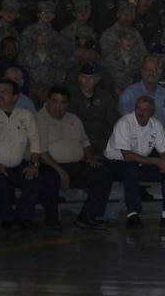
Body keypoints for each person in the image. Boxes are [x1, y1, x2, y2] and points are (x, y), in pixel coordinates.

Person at [34, 84, 111, 229]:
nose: (58, 106)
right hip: (49, 164)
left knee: (102, 174)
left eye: (63, 102)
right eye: (55, 101)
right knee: (51, 178)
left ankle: (87, 215)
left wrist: (90, 159)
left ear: (67, 104)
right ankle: (52, 219)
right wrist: (60, 171)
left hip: (75, 164)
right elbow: (41, 152)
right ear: (48, 101)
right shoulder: (39, 119)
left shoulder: (74, 119)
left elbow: (86, 143)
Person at [102, 95, 165, 228]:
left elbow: (164, 152)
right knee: (131, 169)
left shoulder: (156, 125)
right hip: (115, 163)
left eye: (145, 110)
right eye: (139, 108)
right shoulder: (125, 123)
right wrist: (157, 162)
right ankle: (132, 214)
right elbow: (127, 155)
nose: (141, 112)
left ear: (152, 112)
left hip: (140, 162)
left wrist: (164, 162)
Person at [0, 78, 43, 229]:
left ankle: (23, 218)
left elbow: (35, 141)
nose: (0, 95)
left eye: (5, 92)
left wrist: (34, 164)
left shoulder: (26, 115)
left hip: (16, 165)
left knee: (34, 179)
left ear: (15, 97)